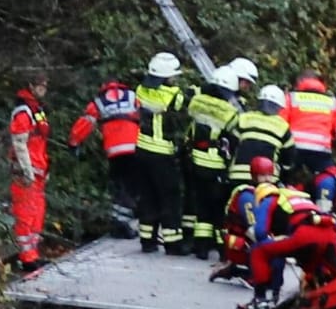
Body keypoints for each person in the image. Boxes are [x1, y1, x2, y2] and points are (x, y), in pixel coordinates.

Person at [240, 180, 336, 309]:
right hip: (328, 237)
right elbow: (333, 220)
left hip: (304, 237)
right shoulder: (302, 199)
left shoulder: (269, 199)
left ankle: (260, 300)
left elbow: (260, 233)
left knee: (258, 251)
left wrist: (273, 239)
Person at [131, 52, 190, 254]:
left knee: (147, 196)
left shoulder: (140, 90)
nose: (176, 79)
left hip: (141, 150)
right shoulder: (174, 94)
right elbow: (186, 106)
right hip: (162, 153)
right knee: (170, 197)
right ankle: (173, 243)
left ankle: (147, 240)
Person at [67, 76, 140, 238]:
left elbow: (86, 123)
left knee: (118, 185)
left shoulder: (99, 102)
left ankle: (120, 224)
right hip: (135, 147)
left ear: (104, 85)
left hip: (114, 150)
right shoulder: (132, 96)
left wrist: (73, 142)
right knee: (130, 186)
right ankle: (124, 223)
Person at [182, 64, 242, 258]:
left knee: (200, 205)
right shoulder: (229, 112)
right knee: (217, 207)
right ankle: (222, 249)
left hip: (194, 160)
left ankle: (200, 247)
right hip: (215, 164)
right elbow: (236, 137)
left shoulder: (196, 102)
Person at [7, 74, 52, 275]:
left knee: (36, 214)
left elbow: (39, 142)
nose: (44, 89)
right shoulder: (24, 111)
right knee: (25, 215)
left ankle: (33, 254)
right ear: (31, 86)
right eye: (40, 86)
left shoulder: (36, 110)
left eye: (45, 86)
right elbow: (19, 143)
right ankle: (27, 258)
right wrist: (26, 171)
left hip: (38, 170)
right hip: (27, 173)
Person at [209, 154, 276, 283]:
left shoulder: (268, 194)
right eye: (263, 175)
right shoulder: (247, 196)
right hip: (242, 240)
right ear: (255, 176)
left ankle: (235, 270)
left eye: (269, 175)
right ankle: (243, 271)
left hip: (254, 236)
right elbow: (252, 228)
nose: (267, 179)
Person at [283, 69, 336, 177]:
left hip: (294, 150)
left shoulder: (291, 98)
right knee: (327, 180)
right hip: (321, 152)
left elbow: (280, 123)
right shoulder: (333, 102)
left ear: (301, 81)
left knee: (284, 180)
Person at [224, 83, 290, 186]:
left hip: (238, 175)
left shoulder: (244, 118)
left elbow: (231, 144)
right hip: (267, 180)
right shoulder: (283, 127)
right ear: (280, 107)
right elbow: (288, 159)